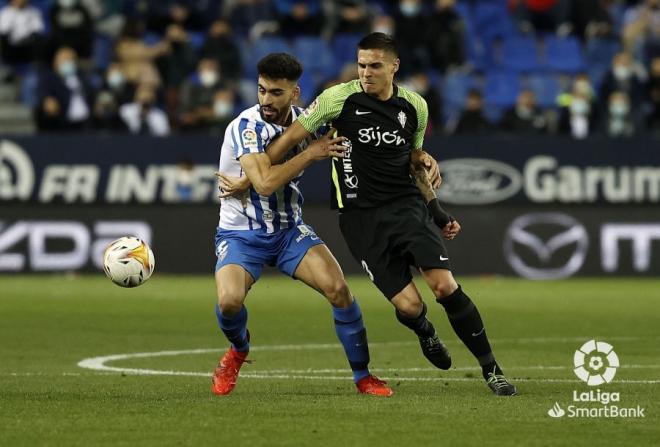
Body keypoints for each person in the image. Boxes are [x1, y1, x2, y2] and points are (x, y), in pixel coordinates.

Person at [262, 33, 517, 396]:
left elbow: (414, 162)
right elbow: (286, 141)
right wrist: (257, 172)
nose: (366, 72)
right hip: (360, 218)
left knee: (444, 285)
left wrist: (437, 210)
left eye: (375, 66)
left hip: (406, 207)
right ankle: (424, 331)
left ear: (394, 66)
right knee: (410, 306)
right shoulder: (337, 99)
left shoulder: (415, 105)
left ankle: (492, 369)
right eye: (362, 65)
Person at [210, 53, 393, 397]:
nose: (266, 99)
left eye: (276, 93)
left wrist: (415, 153)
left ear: (294, 94)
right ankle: (238, 351)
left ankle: (364, 376)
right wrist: (310, 154)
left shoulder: (311, 122)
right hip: (241, 234)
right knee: (229, 302)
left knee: (339, 291)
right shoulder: (245, 127)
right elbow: (264, 183)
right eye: (262, 90)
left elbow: (355, 137)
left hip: (289, 230)